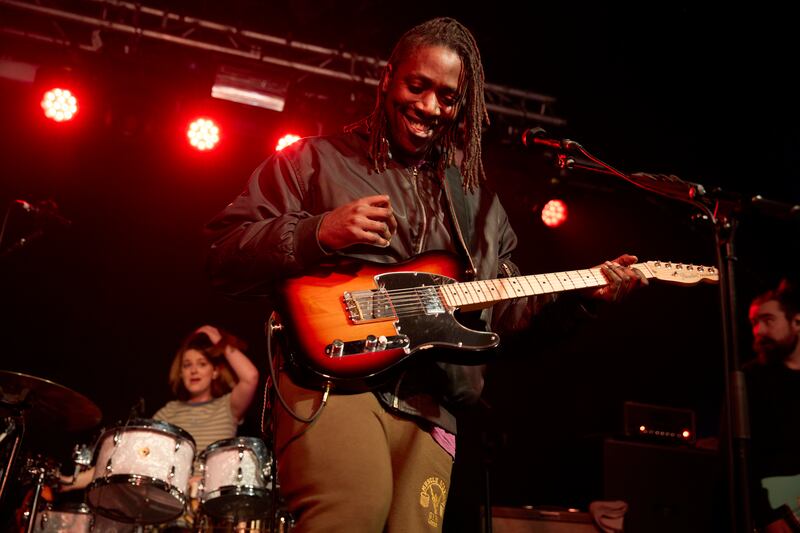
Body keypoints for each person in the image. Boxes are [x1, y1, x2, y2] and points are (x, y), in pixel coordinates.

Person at [205, 17, 646, 533]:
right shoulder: (314, 161)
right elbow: (224, 254)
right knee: (351, 516)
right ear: (388, 77)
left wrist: (581, 298)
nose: (431, 107)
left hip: (433, 404)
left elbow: (505, 316)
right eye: (418, 86)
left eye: (448, 97)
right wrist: (317, 232)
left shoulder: (479, 205)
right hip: (334, 382)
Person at [58, 324, 260, 529]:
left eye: (202, 364)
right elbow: (125, 458)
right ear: (180, 373)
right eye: (187, 365)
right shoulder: (169, 412)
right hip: (166, 513)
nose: (194, 370)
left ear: (215, 371)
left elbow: (250, 377)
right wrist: (71, 481)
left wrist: (220, 343)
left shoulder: (228, 406)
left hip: (212, 513)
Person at [744, 281, 800, 533]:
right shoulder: (750, 379)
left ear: (796, 322)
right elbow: (743, 460)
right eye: (754, 323)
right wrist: (768, 516)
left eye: (767, 320)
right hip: (774, 515)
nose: (759, 331)